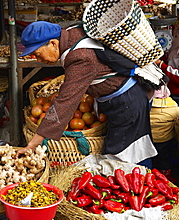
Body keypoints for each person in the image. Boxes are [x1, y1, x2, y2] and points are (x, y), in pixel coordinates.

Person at [16, 21, 158, 168]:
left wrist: (33, 144)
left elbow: (65, 103)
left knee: (130, 152)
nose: (39, 60)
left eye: (38, 54)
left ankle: (147, 182)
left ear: (53, 43)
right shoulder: (70, 32)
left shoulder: (80, 57)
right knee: (129, 146)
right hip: (123, 97)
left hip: (127, 101)